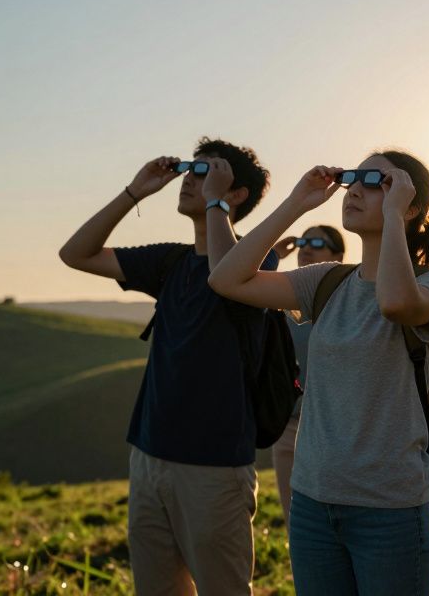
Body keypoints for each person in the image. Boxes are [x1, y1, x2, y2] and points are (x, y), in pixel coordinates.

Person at [208, 150, 429, 596]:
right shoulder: (325, 281)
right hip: (312, 504)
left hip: (391, 509)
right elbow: (226, 279)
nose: (355, 188)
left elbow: (396, 303)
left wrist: (396, 216)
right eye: (354, 179)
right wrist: (296, 203)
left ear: (410, 203)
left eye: (375, 181)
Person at [58, 137, 274, 595]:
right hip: (149, 455)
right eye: (190, 171)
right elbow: (75, 253)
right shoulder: (170, 262)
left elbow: (224, 274)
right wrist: (135, 192)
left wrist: (215, 201)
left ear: (237, 195)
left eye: (207, 172)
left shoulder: (257, 260)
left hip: (214, 468)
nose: (190, 180)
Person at [269, 225, 347, 524]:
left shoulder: (349, 299)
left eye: (317, 242)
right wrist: (273, 256)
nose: (306, 247)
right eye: (302, 241)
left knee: (337, 519)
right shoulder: (282, 302)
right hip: (289, 428)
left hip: (337, 428)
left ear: (339, 255)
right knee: (296, 522)